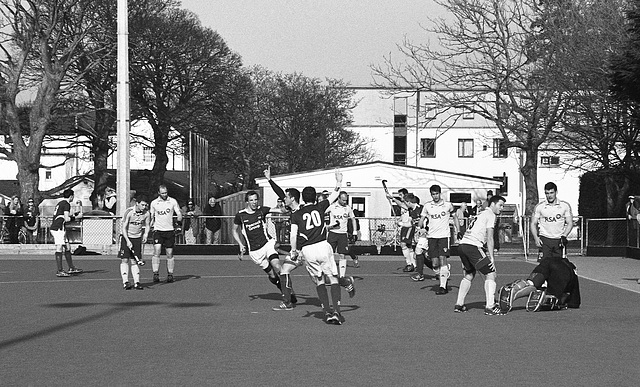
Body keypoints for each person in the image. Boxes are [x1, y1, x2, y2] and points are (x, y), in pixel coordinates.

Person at [498, 182, 581, 312]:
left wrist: (564, 235)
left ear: (556, 192)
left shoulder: (564, 206)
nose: (549, 195)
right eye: (547, 193)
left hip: (559, 241)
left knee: (559, 269)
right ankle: (542, 292)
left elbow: (570, 223)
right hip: (545, 241)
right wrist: (536, 238)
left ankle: (536, 291)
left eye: (551, 193)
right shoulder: (540, 207)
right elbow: (533, 223)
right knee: (544, 267)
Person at [289, 170, 345, 324]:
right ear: (314, 197)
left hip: (307, 250)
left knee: (319, 281)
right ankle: (337, 312)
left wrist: (294, 251)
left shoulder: (296, 214)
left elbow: (293, 236)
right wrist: (339, 181)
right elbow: (334, 195)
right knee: (333, 278)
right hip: (322, 245)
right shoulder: (320, 207)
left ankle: (326, 312)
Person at [453, 194, 506, 315]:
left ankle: (459, 304)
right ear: (492, 204)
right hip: (472, 246)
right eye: (500, 205)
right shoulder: (491, 215)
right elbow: (490, 237)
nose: (501, 208)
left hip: (462, 246)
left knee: (469, 274)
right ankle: (490, 306)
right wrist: (492, 258)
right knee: (491, 273)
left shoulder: (481, 213)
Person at [263, 166, 301, 310]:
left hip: (305, 248)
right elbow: (279, 192)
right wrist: (269, 180)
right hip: (300, 249)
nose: (283, 199)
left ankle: (343, 282)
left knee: (320, 277)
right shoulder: (293, 209)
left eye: (286, 197)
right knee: (285, 270)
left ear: (292, 199)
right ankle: (288, 301)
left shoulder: (301, 210)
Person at [232, 190, 283, 294]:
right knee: (272, 275)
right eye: (251, 200)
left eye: (256, 199)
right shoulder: (240, 215)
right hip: (255, 251)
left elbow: (280, 211)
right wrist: (240, 244)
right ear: (247, 202)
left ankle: (288, 293)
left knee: (277, 266)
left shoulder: (262, 210)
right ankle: (281, 287)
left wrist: (289, 205)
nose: (254, 202)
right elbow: (234, 230)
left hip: (267, 244)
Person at [419, 184, 460, 295]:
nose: (435, 196)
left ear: (440, 193)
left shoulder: (448, 205)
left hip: (444, 236)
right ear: (431, 195)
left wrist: (458, 231)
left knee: (442, 259)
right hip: (432, 236)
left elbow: (455, 217)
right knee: (435, 264)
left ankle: (443, 286)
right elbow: (421, 219)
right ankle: (444, 272)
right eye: (433, 194)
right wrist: (420, 228)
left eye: (437, 193)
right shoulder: (427, 206)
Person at [326, 191, 358, 297]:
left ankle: (342, 277)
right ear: (338, 198)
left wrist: (354, 231)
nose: (345, 202)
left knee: (342, 254)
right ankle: (330, 275)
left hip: (343, 234)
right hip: (332, 233)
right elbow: (321, 213)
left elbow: (353, 219)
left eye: (346, 200)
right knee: (328, 254)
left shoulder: (348, 208)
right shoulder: (332, 207)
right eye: (343, 200)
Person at [149, 185, 182, 283]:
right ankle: (155, 273)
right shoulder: (154, 203)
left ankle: (170, 274)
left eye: (166, 192)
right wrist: (148, 228)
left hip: (169, 230)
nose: (165, 195)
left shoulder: (172, 201)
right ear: (159, 193)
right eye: (162, 193)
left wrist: (179, 220)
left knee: (169, 253)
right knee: (157, 251)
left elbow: (178, 212)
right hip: (158, 230)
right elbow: (151, 216)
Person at [118, 193, 150, 290]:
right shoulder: (129, 212)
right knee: (125, 259)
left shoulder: (146, 213)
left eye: (145, 205)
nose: (144, 207)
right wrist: (127, 240)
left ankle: (137, 282)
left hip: (137, 238)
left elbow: (147, 225)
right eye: (142, 205)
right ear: (137, 203)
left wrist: (146, 235)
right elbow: (123, 228)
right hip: (126, 237)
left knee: (135, 261)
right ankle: (126, 282)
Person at [50, 189, 83, 277]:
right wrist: (76, 217)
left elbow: (65, 216)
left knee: (67, 247)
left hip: (60, 227)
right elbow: (67, 218)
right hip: (58, 228)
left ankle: (71, 268)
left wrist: (74, 215)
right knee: (59, 247)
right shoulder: (66, 204)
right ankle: (60, 270)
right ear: (71, 196)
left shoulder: (60, 203)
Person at [387, 188, 417, 272]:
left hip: (409, 226)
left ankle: (409, 264)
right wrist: (399, 220)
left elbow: (401, 204)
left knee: (403, 244)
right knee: (408, 246)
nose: (400, 197)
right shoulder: (404, 205)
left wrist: (392, 198)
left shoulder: (407, 204)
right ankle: (414, 264)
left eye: (400, 195)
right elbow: (404, 214)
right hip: (404, 226)